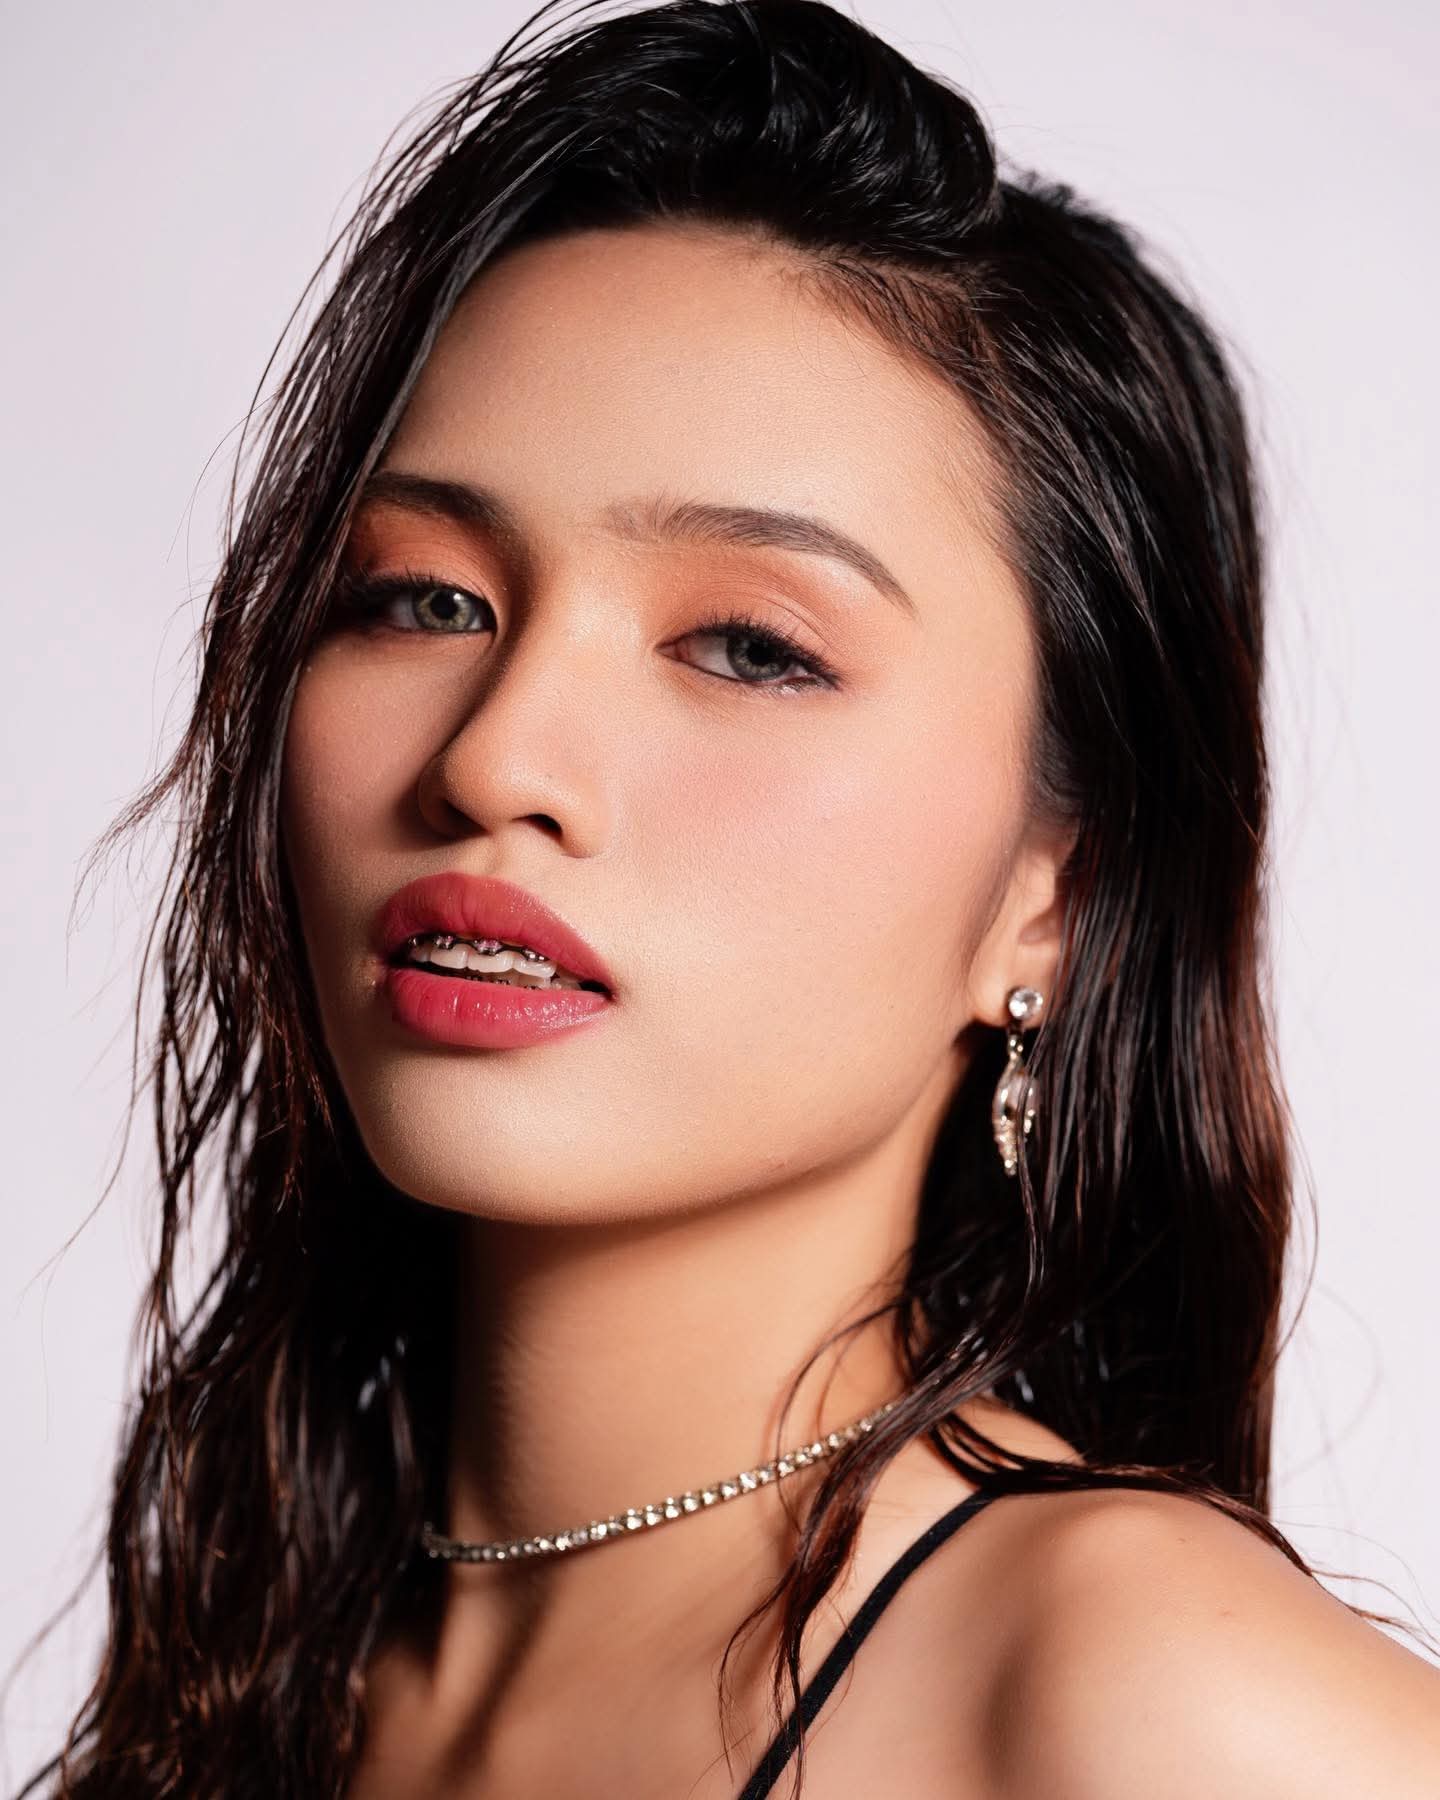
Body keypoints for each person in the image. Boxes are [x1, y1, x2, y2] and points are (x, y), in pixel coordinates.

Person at [22, 0, 1440, 1795]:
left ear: (1056, 901)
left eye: (751, 646)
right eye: (424, 598)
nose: (496, 756)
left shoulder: (1139, 1698)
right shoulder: (256, 1680)